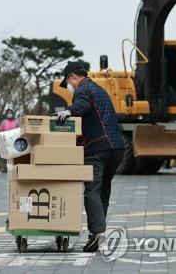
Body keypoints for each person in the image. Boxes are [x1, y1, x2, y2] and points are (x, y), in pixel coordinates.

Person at [55, 61, 125, 252]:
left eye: (68, 82)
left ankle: (97, 232)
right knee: (103, 188)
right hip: (117, 148)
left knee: (91, 189)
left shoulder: (83, 89)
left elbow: (81, 105)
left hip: (98, 148)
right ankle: (97, 233)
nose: (69, 87)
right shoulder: (99, 89)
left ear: (73, 77)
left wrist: (69, 111)